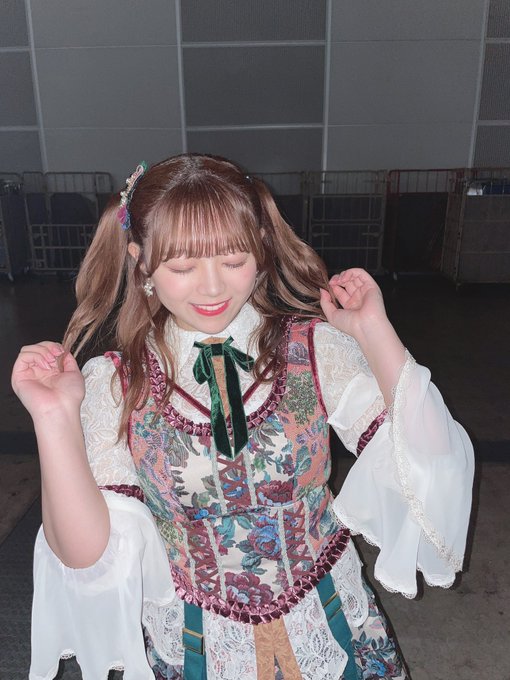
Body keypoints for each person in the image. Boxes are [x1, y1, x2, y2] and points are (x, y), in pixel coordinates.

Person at [12, 154, 474, 680]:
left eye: (233, 260)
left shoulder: (315, 350)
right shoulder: (117, 385)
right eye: (182, 267)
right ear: (141, 263)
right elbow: (85, 557)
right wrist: (53, 418)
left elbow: (431, 464)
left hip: (333, 626)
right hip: (195, 648)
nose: (212, 288)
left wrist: (374, 332)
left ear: (261, 247)